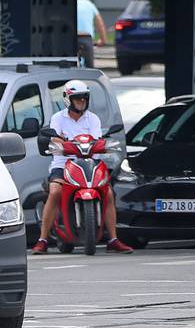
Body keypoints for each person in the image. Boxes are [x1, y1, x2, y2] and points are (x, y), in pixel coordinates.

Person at [32, 81, 133, 254]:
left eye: (84, 98)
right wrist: (61, 142)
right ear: (68, 99)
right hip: (63, 164)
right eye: (77, 98)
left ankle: (113, 239)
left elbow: (97, 140)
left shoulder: (93, 118)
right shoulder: (58, 118)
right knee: (55, 191)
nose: (81, 102)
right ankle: (42, 239)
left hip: (90, 163)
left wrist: (98, 144)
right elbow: (54, 139)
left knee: (107, 192)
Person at [75, 0, 106, 68]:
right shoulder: (90, 4)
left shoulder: (72, 3)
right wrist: (102, 40)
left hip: (72, 35)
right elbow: (100, 23)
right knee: (90, 66)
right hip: (86, 37)